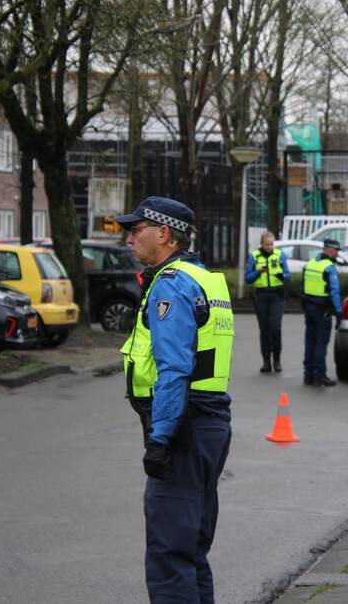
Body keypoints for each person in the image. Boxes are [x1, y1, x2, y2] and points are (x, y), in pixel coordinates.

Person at [115, 196, 233, 604]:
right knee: (191, 552)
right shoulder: (205, 279)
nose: (129, 238)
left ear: (163, 234)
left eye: (136, 230)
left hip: (183, 427)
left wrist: (160, 439)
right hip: (210, 423)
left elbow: (174, 369)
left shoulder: (172, 283)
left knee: (169, 556)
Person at [245, 231, 290, 373]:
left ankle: (277, 360)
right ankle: (266, 362)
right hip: (261, 296)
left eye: (271, 244)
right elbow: (248, 279)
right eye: (267, 244)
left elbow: (288, 276)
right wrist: (258, 272)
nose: (270, 247)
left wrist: (282, 276)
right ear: (261, 244)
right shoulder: (254, 256)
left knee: (275, 328)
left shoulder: (280, 255)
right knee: (264, 330)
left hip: (277, 295)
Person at [300, 238, 342, 387]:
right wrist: (338, 312)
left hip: (309, 307)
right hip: (323, 309)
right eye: (336, 250)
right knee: (321, 342)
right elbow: (335, 291)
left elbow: (302, 287)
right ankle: (320, 375)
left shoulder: (310, 264)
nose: (337, 254)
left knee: (310, 340)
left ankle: (308, 375)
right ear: (330, 250)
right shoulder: (329, 268)